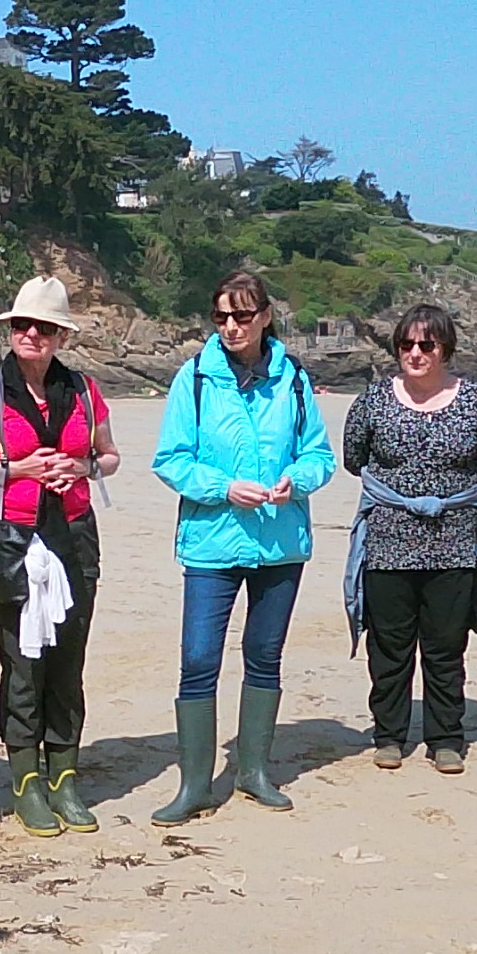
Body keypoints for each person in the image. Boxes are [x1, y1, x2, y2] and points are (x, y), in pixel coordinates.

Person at [150, 272, 337, 823]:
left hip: (281, 544)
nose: (232, 326)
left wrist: (295, 481)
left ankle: (254, 771)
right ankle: (194, 784)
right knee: (198, 658)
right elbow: (171, 459)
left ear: (265, 317)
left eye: (243, 315)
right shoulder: (195, 379)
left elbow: (320, 456)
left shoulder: (294, 379)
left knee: (264, 656)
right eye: (222, 316)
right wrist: (223, 489)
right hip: (211, 543)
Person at [0, 276, 121, 836]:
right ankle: (26, 780)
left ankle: (65, 775)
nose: (32, 335)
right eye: (23, 325)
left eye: (44, 328)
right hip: (11, 540)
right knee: (23, 664)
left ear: (60, 337)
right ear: (11, 330)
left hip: (73, 533)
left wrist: (82, 468)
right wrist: (16, 470)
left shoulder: (84, 391)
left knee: (68, 659)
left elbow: (109, 456)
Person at [343, 304, 477, 775]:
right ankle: (389, 735)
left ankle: (446, 738)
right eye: (406, 345)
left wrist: (445, 497)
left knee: (445, 648)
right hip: (387, 540)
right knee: (389, 648)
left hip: (455, 542)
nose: (415, 353)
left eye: (427, 345)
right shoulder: (373, 400)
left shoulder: (476, 400)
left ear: (445, 349)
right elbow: (353, 458)